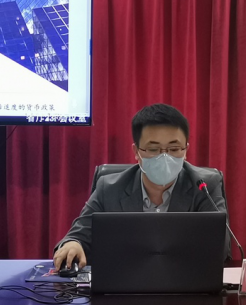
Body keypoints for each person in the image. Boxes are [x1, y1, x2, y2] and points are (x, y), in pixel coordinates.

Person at [53, 103, 230, 270]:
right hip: (124, 283)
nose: (165, 157)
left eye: (174, 149)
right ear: (136, 152)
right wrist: (72, 244)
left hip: (185, 282)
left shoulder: (205, 186)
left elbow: (219, 249)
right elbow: (78, 235)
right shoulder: (110, 188)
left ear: (186, 151)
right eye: (153, 149)